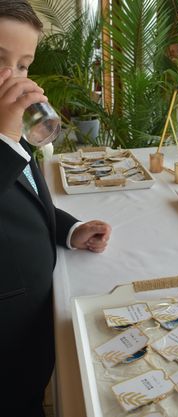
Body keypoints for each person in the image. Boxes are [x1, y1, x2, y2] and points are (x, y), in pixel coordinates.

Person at [0, 1, 111, 416]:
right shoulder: (7, 131)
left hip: (33, 322)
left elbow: (24, 191)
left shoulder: (11, 129)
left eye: (24, 64)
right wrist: (7, 138)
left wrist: (67, 228)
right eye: (0, 59)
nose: (14, 77)